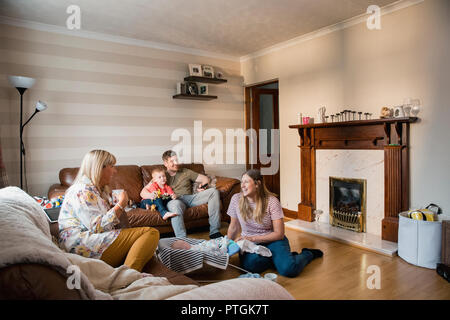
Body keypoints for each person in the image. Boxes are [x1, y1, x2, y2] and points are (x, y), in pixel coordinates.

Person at [58, 149, 160, 272]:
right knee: (151, 233)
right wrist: (121, 204)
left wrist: (115, 207)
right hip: (82, 246)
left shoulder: (95, 190)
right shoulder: (82, 191)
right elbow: (97, 227)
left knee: (144, 243)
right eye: (112, 166)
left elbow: (106, 223)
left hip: (89, 242)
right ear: (99, 168)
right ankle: (127, 276)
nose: (115, 171)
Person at [226, 169, 323, 278]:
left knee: (289, 269)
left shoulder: (272, 201)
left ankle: (308, 254)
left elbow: (279, 234)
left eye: (246, 182)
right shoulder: (236, 199)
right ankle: (281, 258)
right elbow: (233, 227)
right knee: (249, 267)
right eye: (241, 182)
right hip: (250, 244)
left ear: (257, 184)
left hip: (273, 240)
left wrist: (251, 238)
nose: (242, 185)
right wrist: (226, 247)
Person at [162, 150, 223, 239]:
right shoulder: (161, 175)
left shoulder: (185, 171)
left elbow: (205, 179)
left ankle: (215, 232)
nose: (176, 163)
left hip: (190, 198)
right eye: (172, 161)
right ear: (165, 163)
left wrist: (202, 187)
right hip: (175, 200)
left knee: (214, 192)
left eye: (177, 160)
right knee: (175, 205)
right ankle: (182, 239)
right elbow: (143, 192)